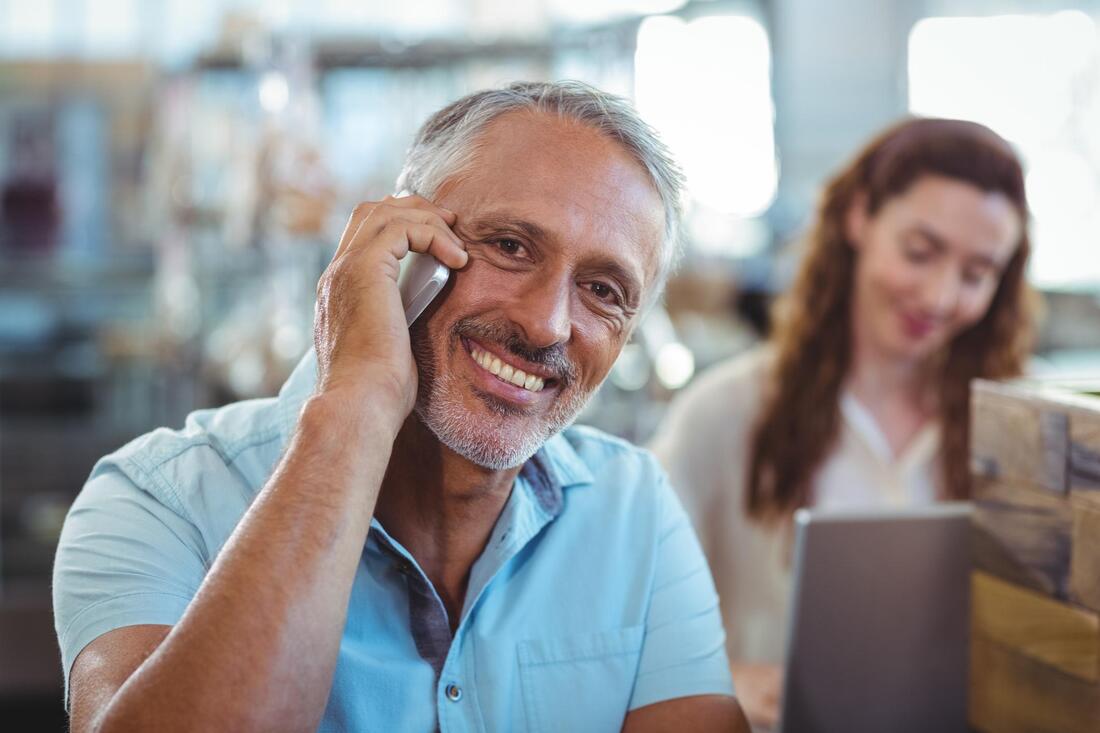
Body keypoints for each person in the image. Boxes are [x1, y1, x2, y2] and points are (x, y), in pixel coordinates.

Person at [53, 82, 749, 733]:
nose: (546, 325)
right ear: (397, 240)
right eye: (509, 246)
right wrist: (357, 402)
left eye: (602, 289)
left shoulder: (633, 506)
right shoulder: (161, 497)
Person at [649, 117, 1036, 728]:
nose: (938, 296)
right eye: (920, 252)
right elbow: (630, 611)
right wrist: (722, 675)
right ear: (859, 217)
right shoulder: (725, 413)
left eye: (976, 274)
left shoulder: (1016, 428)